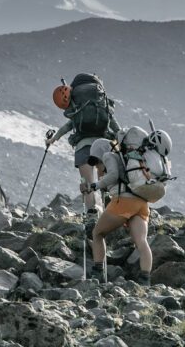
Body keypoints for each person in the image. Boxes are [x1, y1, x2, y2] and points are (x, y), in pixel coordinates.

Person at [82, 127, 153, 285]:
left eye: (97, 162)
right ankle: (145, 280)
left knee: (97, 233)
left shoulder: (108, 156)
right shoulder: (127, 160)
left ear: (100, 153)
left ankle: (98, 274)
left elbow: (113, 175)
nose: (97, 167)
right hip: (141, 203)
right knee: (141, 241)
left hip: (124, 202)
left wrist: (94, 186)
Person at [46, 74, 120, 225]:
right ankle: (108, 208)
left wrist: (53, 139)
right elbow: (115, 126)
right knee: (103, 179)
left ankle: (91, 215)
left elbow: (68, 126)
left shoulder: (77, 106)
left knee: (86, 182)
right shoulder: (101, 103)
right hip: (103, 146)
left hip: (83, 148)